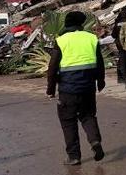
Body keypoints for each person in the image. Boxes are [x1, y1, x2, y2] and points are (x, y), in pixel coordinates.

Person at [46, 11, 106, 166]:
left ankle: (74, 157)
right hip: (88, 87)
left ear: (66, 24)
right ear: (81, 24)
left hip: (68, 90)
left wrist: (50, 89)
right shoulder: (91, 38)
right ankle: (95, 141)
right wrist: (101, 81)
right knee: (88, 116)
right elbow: (100, 62)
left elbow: (52, 67)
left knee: (68, 122)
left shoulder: (61, 40)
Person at [112, 8, 126, 83]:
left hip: (119, 44)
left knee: (122, 59)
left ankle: (120, 77)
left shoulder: (117, 22)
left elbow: (113, 34)